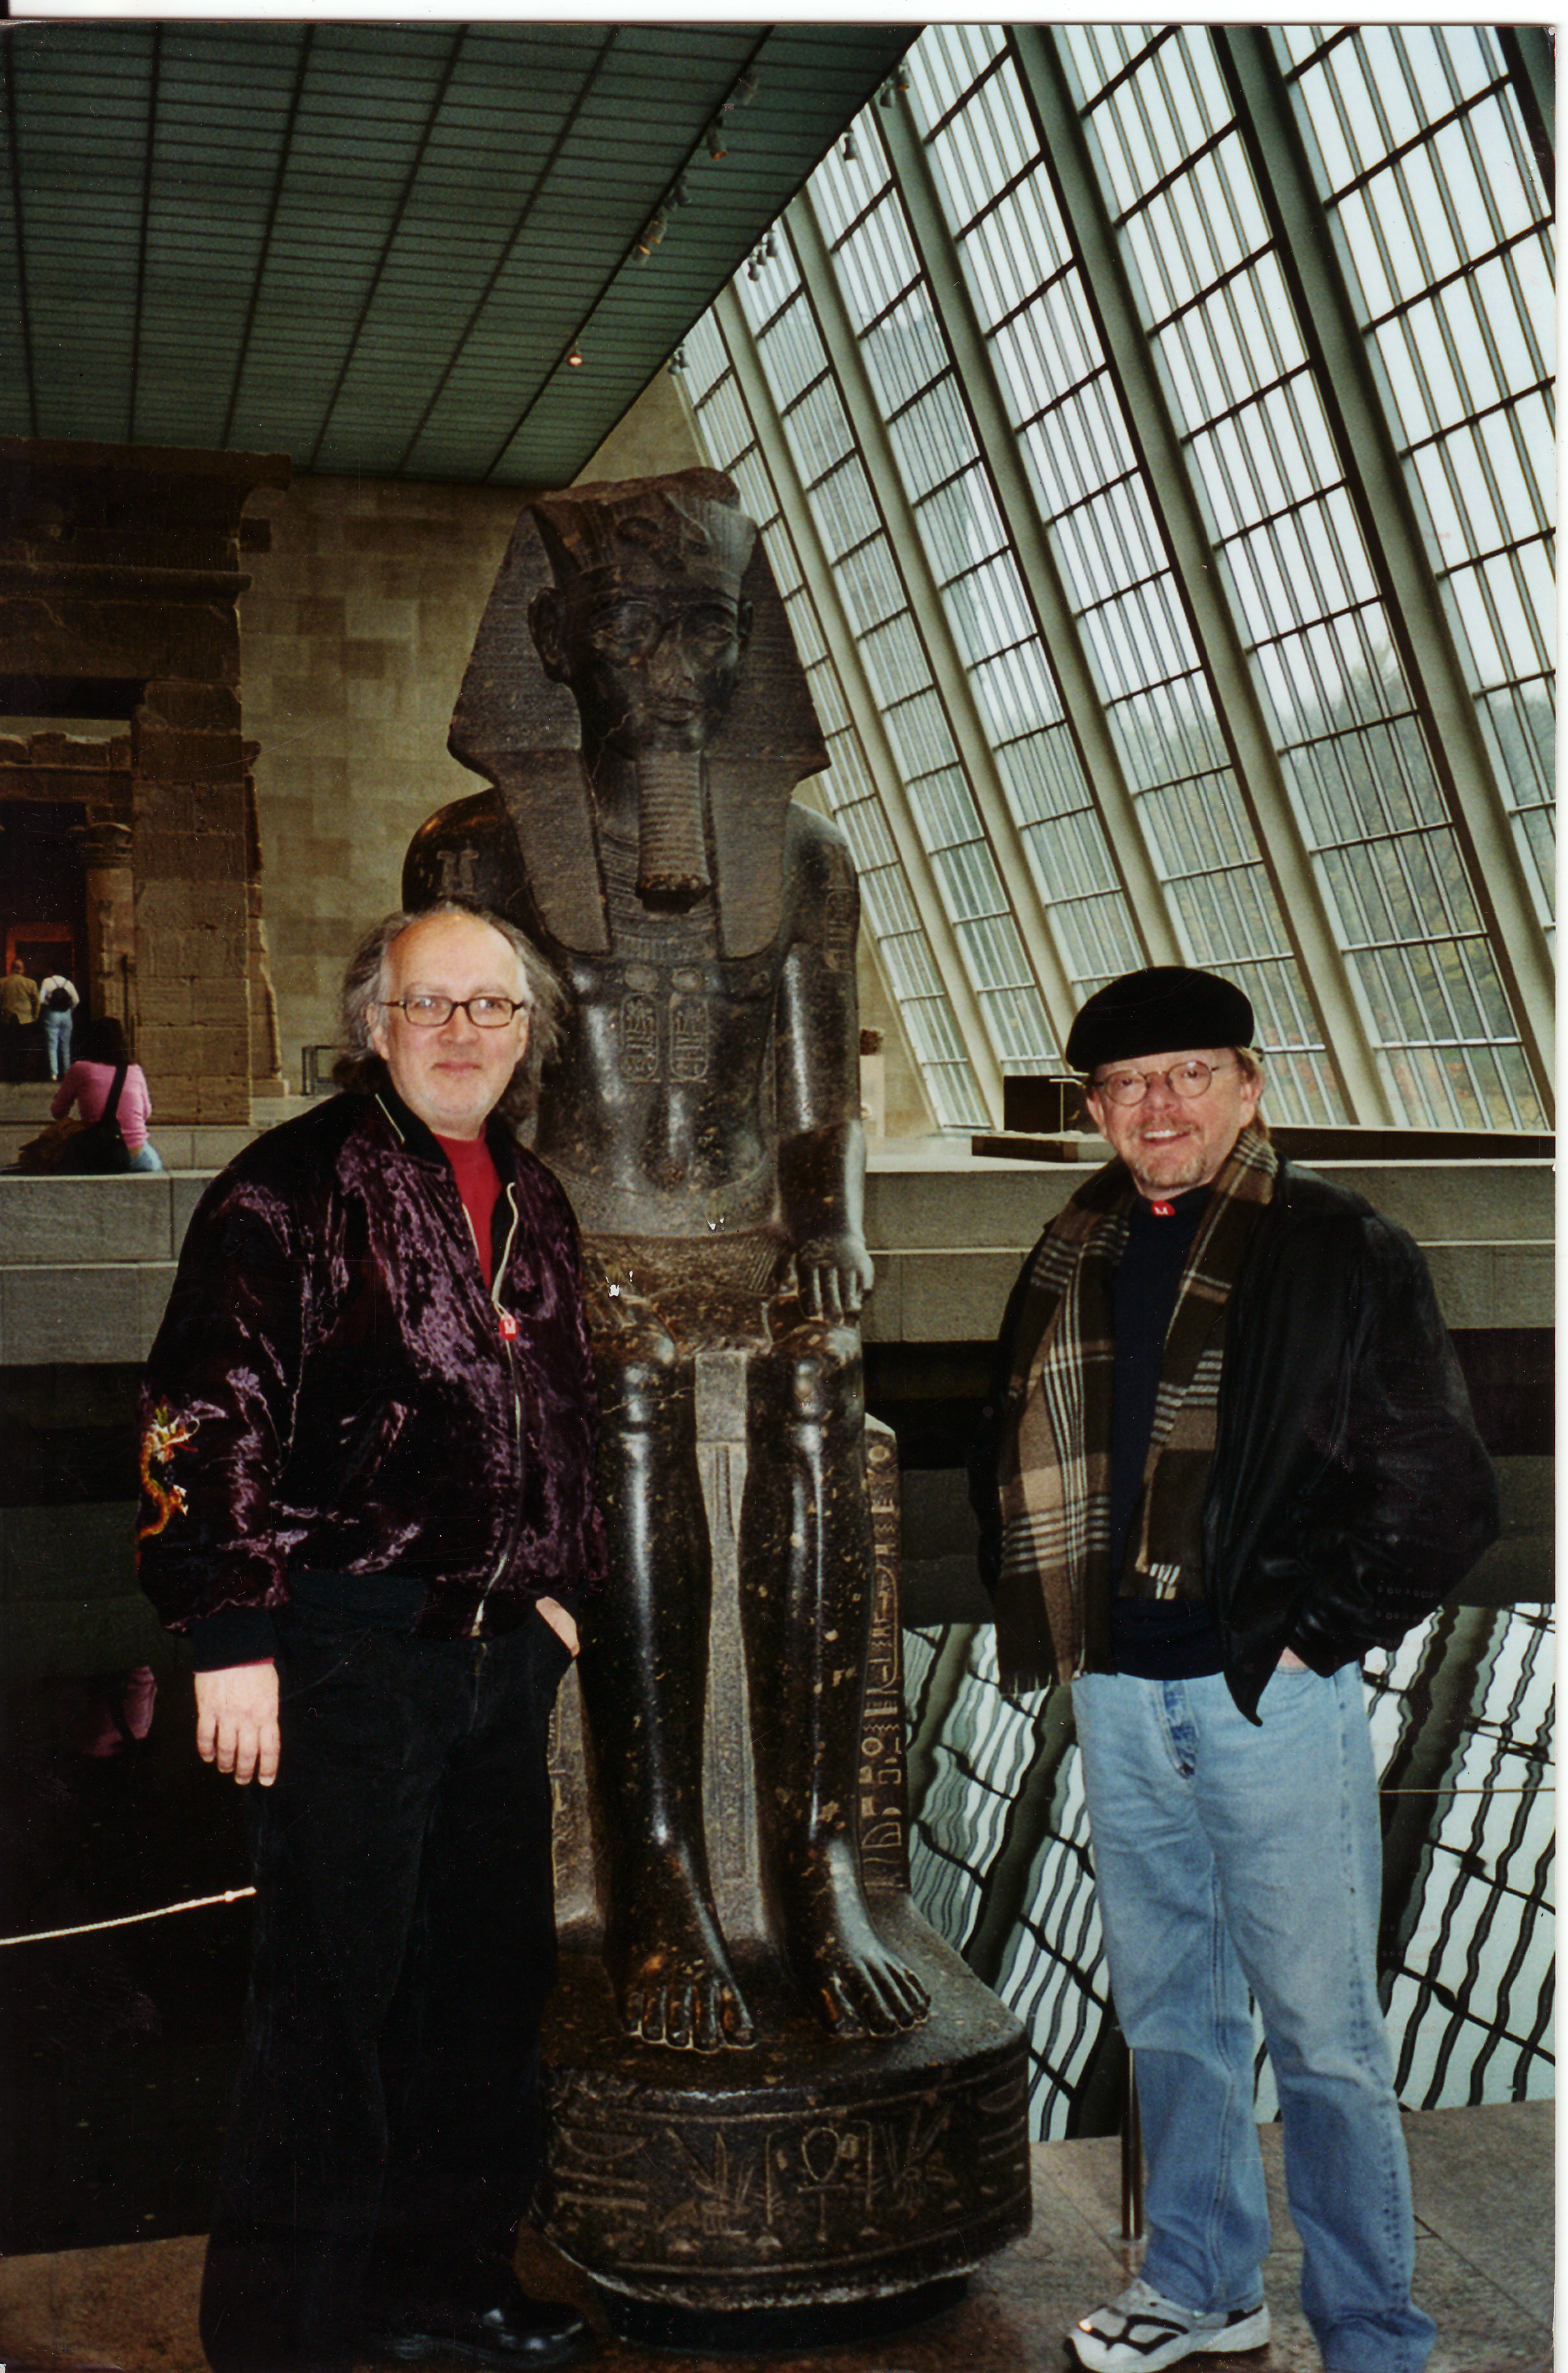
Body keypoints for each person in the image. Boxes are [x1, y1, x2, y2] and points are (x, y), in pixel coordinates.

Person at [404, 470, 929, 2052]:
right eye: (635, 627)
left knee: (818, 1395)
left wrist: (829, 1230)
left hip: (749, 1238)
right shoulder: (477, 854)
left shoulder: (807, 857)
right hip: (573, 1243)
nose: (674, 667)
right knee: (625, 1401)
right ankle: (653, 1872)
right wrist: (518, 1263)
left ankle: (815, 1862)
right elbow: (458, 1104)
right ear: (556, 642)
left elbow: (818, 1097)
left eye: (707, 628)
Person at [970, 965, 1499, 2373]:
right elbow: (1004, 1443)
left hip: (1266, 1693)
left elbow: (1441, 1485)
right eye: (1127, 1084)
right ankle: (1202, 2287)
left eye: (1190, 1074)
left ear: (1249, 1086)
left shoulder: (1337, 1246)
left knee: (1324, 2035)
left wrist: (1313, 1635)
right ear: (1094, 1109)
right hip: (1118, 1688)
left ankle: (1372, 2331)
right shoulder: (1072, 1247)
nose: (1159, 1105)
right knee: (1171, 2018)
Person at [136, 904, 604, 2373]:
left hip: (493, 1654)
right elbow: (206, 1412)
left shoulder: (531, 1193)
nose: (463, 1031)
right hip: (343, 1654)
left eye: (492, 1006)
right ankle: (285, 2337)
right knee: (327, 2014)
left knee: (483, 1995)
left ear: (528, 1034)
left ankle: (441, 2284)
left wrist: (560, 1590)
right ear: (374, 1025)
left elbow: (564, 1405)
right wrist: (230, 1633)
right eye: (430, 1004)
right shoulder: (288, 1191)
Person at [51, 1013, 163, 1170]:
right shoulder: (135, 1070)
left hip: (100, 1153)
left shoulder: (80, 1069)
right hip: (138, 1154)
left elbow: (58, 1112)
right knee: (154, 1164)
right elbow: (146, 1113)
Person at [0, 955, 39, 1079]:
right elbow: (36, 1001)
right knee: (24, 1049)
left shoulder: (2, 982)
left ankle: (9, 1074)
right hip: (25, 1019)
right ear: (23, 969)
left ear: (11, 969)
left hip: (7, 1018)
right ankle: (23, 1075)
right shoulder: (30, 983)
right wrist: (35, 1017)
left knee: (8, 1048)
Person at [37, 966, 80, 1079]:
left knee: (52, 1045)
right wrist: (70, 1010)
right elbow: (76, 1000)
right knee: (66, 1046)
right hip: (66, 1015)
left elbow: (41, 1000)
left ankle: (54, 1074)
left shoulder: (47, 982)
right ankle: (67, 1072)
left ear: (52, 971)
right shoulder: (68, 983)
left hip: (52, 1014)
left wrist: (49, 1004)